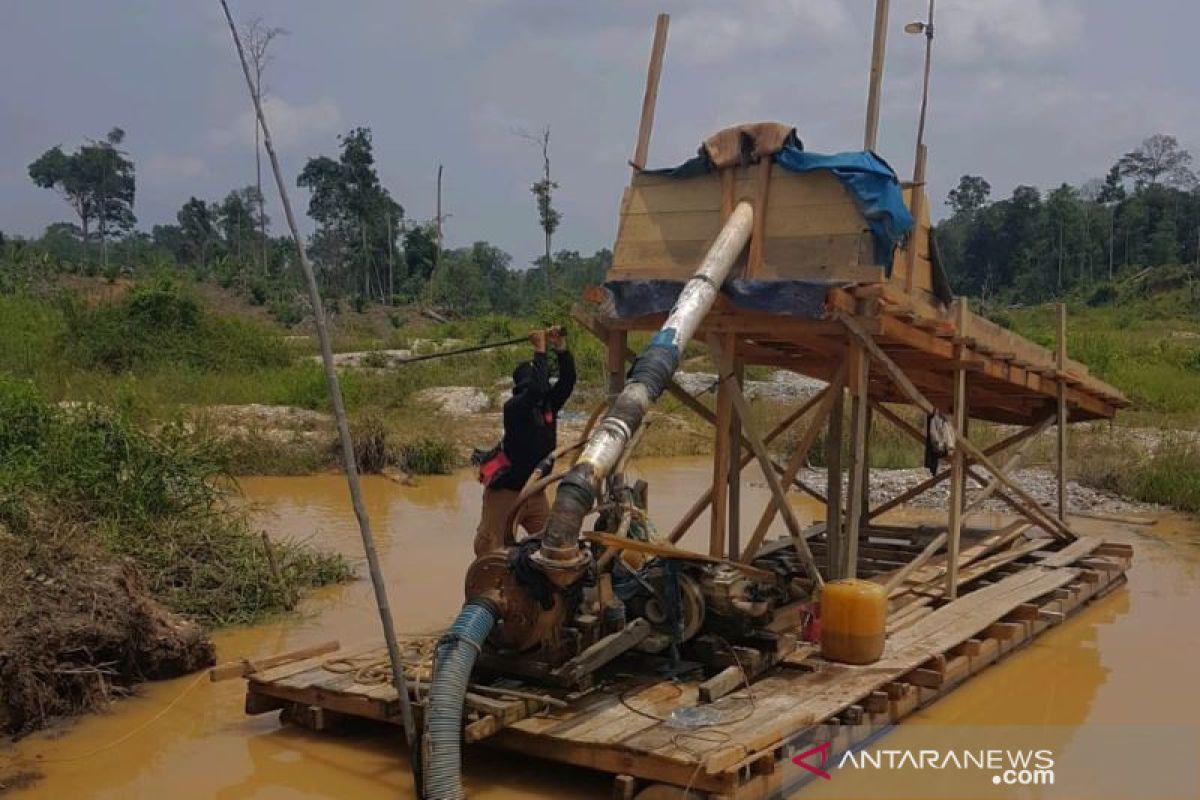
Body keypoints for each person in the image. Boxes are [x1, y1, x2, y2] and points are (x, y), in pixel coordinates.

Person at [474, 326, 576, 556]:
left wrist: (560, 349)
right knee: (491, 552)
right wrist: (539, 350)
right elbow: (538, 389)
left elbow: (567, 381)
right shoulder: (515, 408)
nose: (544, 390)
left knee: (551, 548)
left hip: (535, 491)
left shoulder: (548, 404)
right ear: (522, 388)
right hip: (506, 493)